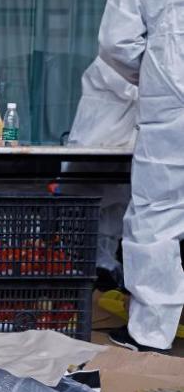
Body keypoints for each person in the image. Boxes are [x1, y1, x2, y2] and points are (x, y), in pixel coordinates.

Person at [99, 0, 184, 353]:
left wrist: (153, 78)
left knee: (157, 215)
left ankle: (151, 333)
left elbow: (116, 43)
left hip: (173, 112)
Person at [63, 57, 138, 290]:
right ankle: (97, 275)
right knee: (92, 212)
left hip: (116, 147)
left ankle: (103, 273)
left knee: (114, 211)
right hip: (102, 142)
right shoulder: (113, 64)